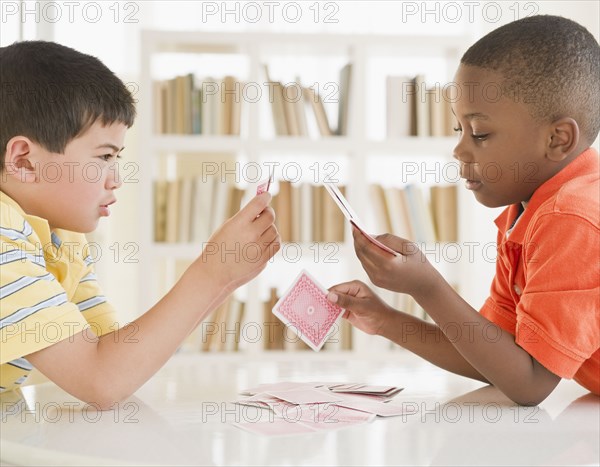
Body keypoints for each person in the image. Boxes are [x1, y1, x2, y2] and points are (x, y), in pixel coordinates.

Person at [327, 15, 599, 406]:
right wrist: (387, 320)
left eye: (481, 134)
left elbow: (530, 383)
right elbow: (498, 358)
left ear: (558, 140)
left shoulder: (573, 218)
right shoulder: (527, 212)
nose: (460, 150)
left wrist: (426, 285)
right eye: (460, 130)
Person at [0, 41, 280, 408]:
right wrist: (212, 273)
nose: (115, 179)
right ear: (24, 161)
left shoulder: (62, 236)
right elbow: (100, 381)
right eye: (104, 157)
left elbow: (119, 357)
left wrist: (227, 277)